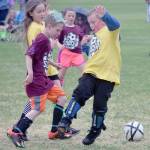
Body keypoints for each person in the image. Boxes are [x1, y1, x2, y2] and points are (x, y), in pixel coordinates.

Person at [57, 5, 121, 145]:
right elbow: (93, 54)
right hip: (91, 72)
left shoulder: (111, 31)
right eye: (89, 23)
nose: (91, 25)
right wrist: (85, 46)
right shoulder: (94, 36)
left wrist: (105, 15)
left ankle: (95, 130)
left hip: (107, 76)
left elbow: (116, 24)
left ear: (103, 21)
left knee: (99, 105)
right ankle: (65, 120)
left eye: (94, 22)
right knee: (80, 93)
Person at [6, 11, 66, 148]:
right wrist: (31, 73)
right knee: (38, 108)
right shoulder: (42, 39)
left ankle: (54, 131)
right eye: (57, 30)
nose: (59, 34)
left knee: (61, 98)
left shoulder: (45, 39)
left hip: (44, 80)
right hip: (37, 81)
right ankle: (16, 131)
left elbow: (41, 57)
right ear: (49, 26)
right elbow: (29, 54)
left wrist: (54, 64)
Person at [58, 8, 85, 85]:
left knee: (86, 72)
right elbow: (56, 39)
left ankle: (85, 88)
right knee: (61, 75)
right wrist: (60, 45)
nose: (71, 17)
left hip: (77, 54)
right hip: (66, 53)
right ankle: (57, 88)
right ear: (65, 17)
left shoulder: (78, 28)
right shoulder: (62, 28)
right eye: (69, 16)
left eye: (73, 16)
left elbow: (81, 39)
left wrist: (84, 42)